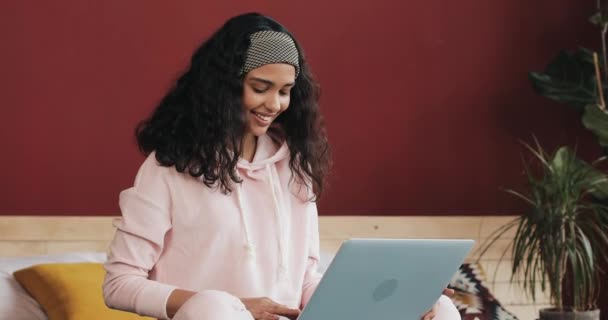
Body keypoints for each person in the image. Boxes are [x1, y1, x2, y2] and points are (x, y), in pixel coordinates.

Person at [102, 12, 460, 320]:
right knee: (214, 308)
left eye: (285, 90)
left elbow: (304, 282)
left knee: (440, 309)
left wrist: (399, 302)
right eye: (260, 87)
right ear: (224, 87)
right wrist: (236, 306)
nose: (274, 104)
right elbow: (119, 284)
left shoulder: (295, 165)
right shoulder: (168, 168)